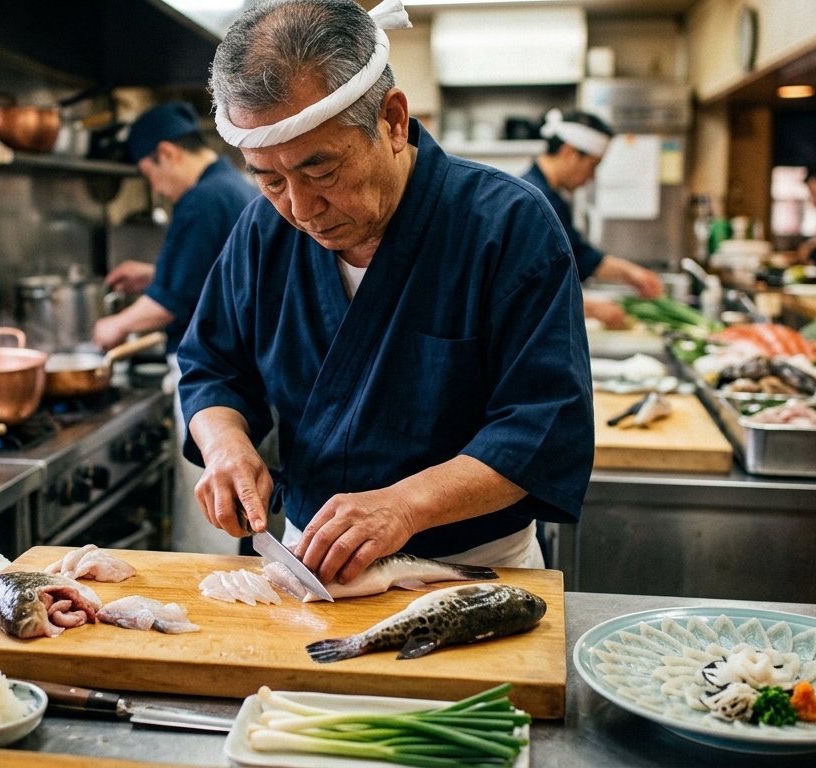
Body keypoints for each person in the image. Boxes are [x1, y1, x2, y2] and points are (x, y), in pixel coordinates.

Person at [177, 0, 594, 581]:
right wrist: (224, 443)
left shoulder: (506, 225)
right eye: (270, 180)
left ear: (393, 121)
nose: (300, 209)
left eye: (321, 172)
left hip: (473, 571)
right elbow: (212, 365)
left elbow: (543, 424)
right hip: (308, 561)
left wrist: (403, 507)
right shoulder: (261, 231)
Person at [91, 101, 259, 555]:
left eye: (149, 174)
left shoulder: (200, 201)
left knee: (208, 504)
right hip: (243, 373)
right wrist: (153, 272)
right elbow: (210, 272)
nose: (157, 188)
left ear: (166, 153)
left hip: (210, 379)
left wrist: (112, 328)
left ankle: (208, 596)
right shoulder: (231, 186)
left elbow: (174, 301)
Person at [521, 109, 665, 330]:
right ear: (569, 152)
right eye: (592, 165)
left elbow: (578, 255)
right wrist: (591, 308)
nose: (592, 177)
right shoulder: (534, 200)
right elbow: (529, 286)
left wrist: (632, 274)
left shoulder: (550, 197)